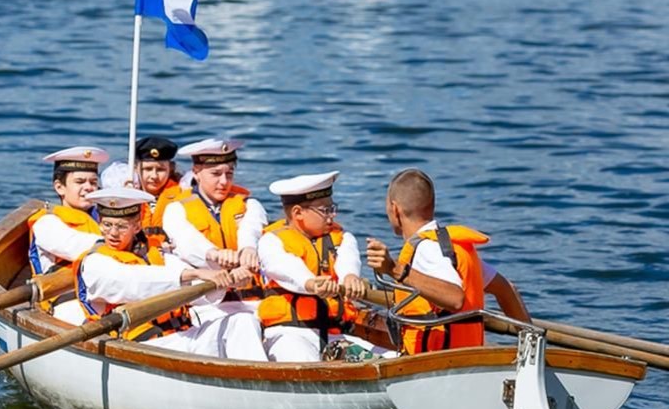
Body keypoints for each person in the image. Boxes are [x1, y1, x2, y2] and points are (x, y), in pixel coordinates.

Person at [71, 189, 269, 361]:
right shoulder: (95, 262)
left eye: (121, 226)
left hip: (181, 335)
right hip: (136, 344)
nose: (113, 233)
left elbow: (194, 285)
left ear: (137, 226)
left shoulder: (155, 253)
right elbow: (133, 281)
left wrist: (227, 281)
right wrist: (194, 272)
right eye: (107, 225)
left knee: (241, 321)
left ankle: (261, 384)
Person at [365, 168, 531, 355]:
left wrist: (395, 270)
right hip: (469, 359)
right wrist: (530, 348)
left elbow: (455, 298)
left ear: (395, 209)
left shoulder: (425, 249)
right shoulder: (452, 248)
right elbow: (507, 289)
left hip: (439, 367)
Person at [256, 172, 367, 362]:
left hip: (335, 335)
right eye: (325, 210)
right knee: (301, 359)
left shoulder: (342, 238)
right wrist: (310, 283)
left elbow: (349, 260)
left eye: (333, 208)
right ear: (298, 213)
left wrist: (350, 277)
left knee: (386, 358)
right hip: (289, 333)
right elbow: (285, 268)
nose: (332, 216)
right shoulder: (271, 241)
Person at [160, 139, 267, 304]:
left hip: (250, 297)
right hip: (204, 299)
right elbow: (187, 241)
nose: (224, 181)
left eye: (229, 174)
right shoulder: (176, 209)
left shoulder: (249, 205)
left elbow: (251, 229)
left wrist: (248, 250)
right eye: (216, 174)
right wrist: (214, 254)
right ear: (196, 172)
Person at [27, 147, 107, 304]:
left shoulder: (106, 218)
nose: (88, 187)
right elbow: (77, 247)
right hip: (66, 299)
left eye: (93, 182)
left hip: (105, 292)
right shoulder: (47, 223)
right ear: (59, 187)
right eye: (79, 182)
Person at [134, 136, 181, 244]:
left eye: (161, 169)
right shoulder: (128, 197)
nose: (154, 176)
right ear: (136, 168)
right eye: (148, 169)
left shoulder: (182, 195)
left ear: (171, 168)